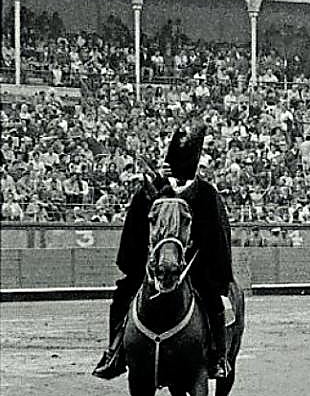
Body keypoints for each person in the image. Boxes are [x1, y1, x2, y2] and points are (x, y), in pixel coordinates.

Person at [93, 123, 234, 381]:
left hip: (194, 265)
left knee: (213, 298)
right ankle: (114, 351)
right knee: (122, 295)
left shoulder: (205, 192)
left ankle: (218, 356)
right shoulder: (154, 188)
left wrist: (205, 260)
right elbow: (136, 225)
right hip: (154, 262)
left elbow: (217, 234)